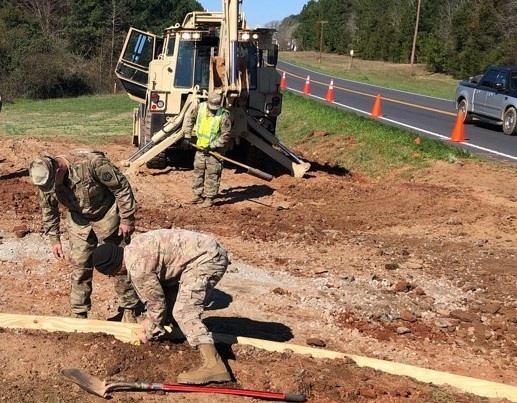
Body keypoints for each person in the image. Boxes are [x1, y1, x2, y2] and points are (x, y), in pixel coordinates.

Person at [91, 228, 231, 385]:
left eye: (112, 274)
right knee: (172, 296)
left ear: (114, 268)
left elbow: (156, 304)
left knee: (184, 310)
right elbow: (163, 287)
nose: (115, 277)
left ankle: (214, 365)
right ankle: (182, 330)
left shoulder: (137, 267)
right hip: (204, 252)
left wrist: (150, 331)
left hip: (207, 260)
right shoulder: (134, 248)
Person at [28, 149, 141, 322]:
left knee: (120, 263)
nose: (53, 189)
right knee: (79, 266)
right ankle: (79, 313)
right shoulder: (46, 179)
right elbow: (48, 210)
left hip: (108, 215)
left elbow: (122, 188)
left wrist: (127, 219)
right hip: (79, 221)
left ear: (58, 169)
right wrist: (54, 239)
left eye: (53, 184)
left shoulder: (92, 163)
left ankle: (129, 308)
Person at [183, 92, 232, 208]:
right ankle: (197, 195)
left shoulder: (223, 115)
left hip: (215, 150)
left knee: (212, 173)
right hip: (200, 147)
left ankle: (209, 198)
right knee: (198, 171)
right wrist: (187, 136)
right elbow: (190, 120)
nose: (214, 110)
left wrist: (213, 146)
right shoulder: (200, 108)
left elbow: (226, 135)